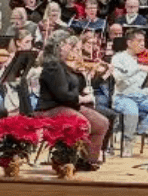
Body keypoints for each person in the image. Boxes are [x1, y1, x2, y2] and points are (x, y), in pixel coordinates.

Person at [33, 31, 109, 164]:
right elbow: (62, 95)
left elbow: (72, 89)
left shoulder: (63, 65)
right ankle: (68, 160)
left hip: (67, 105)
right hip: (50, 109)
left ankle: (89, 161)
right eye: (70, 45)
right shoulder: (52, 66)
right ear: (60, 46)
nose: (72, 49)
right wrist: (82, 99)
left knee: (101, 123)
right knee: (82, 124)